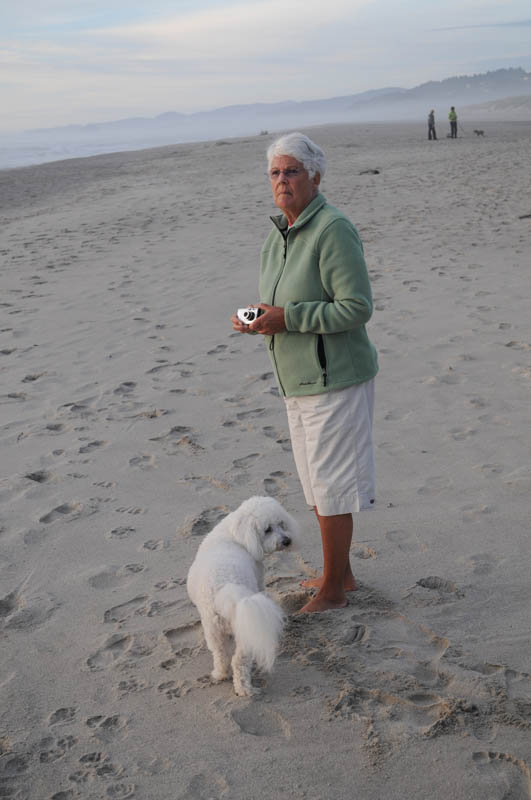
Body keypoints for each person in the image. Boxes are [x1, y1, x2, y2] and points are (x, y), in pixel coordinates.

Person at [231, 132, 378, 613]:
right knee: (316, 486)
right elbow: (282, 304)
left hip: (336, 380)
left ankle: (333, 590)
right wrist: (259, 318)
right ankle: (343, 574)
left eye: (291, 171)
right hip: (296, 381)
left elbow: (356, 308)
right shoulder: (279, 235)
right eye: (275, 172)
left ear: (315, 175)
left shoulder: (333, 229)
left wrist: (287, 318)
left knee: (333, 488)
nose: (282, 180)